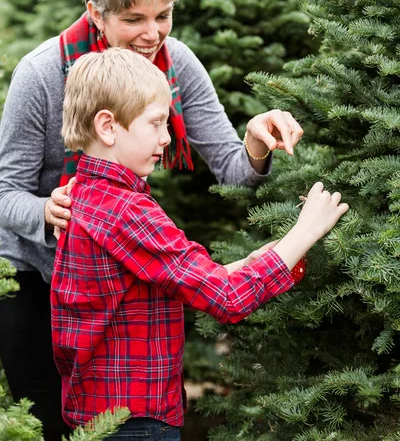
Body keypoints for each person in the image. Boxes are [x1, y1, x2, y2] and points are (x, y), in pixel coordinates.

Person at [0, 0, 304, 441]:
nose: (152, 33)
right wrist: (45, 214)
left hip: (120, 272)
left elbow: (232, 166)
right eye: (133, 19)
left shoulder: (177, 63)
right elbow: (6, 192)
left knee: (138, 411)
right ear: (96, 12)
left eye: (162, 15)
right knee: (53, 422)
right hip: (35, 273)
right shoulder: (42, 74)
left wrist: (255, 141)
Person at [51, 47, 349, 440]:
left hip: (100, 414)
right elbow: (226, 299)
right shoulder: (125, 210)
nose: (167, 137)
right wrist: (305, 230)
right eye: (156, 124)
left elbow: (187, 278)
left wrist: (251, 262)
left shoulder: (87, 195)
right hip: (133, 424)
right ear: (107, 126)